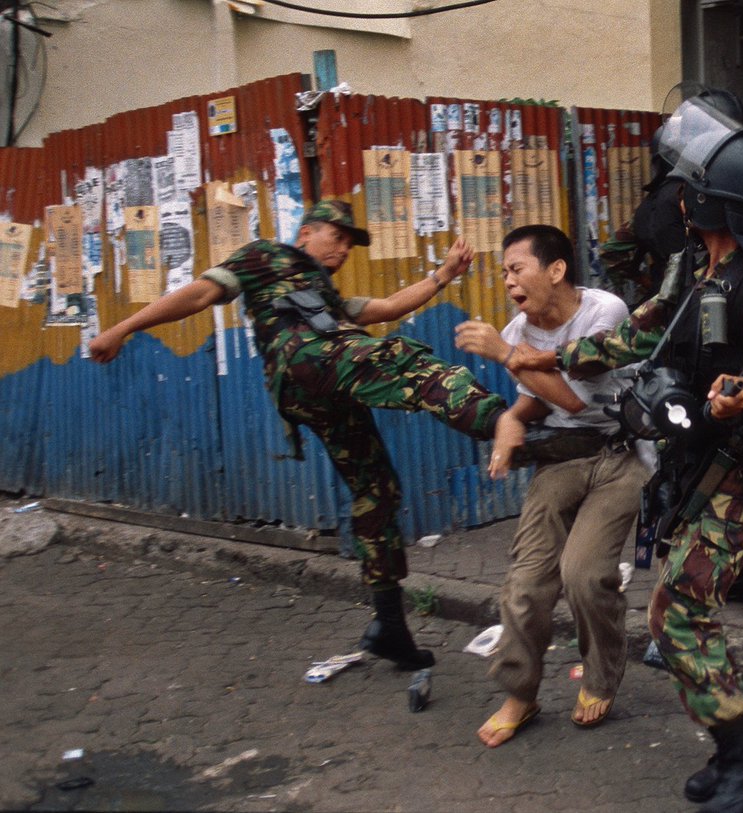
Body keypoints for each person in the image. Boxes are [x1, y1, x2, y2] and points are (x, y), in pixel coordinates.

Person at [507, 103, 743, 811]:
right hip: (696, 458)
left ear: (712, 202)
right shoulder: (693, 265)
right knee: (674, 610)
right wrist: (554, 355)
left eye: (689, 190)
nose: (677, 201)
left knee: (677, 613)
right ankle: (733, 751)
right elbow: (641, 341)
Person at [88, 199, 507, 671]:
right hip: (307, 362)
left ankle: (390, 626)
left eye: (351, 242)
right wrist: (121, 329)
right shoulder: (264, 255)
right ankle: (504, 425)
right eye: (338, 235)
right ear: (306, 232)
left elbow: (387, 306)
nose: (344, 247)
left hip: (318, 383)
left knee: (377, 492)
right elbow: (200, 295)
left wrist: (443, 274)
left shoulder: (323, 293)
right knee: (400, 360)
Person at [599, 88, 743, 608]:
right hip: (684, 339)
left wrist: (725, 296)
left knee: (729, 459)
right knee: (686, 466)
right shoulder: (681, 196)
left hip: (733, 345)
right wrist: (670, 297)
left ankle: (737, 568)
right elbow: (621, 249)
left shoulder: (725, 201)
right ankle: (699, 583)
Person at [453, 224, 649, 747]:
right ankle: (520, 692)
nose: (509, 282)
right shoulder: (517, 331)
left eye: (517, 269)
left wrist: (502, 355)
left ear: (556, 270)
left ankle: (602, 675)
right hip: (563, 458)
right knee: (526, 583)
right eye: (504, 273)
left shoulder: (603, 312)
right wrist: (511, 418)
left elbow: (577, 398)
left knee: (584, 574)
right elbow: (540, 398)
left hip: (622, 453)